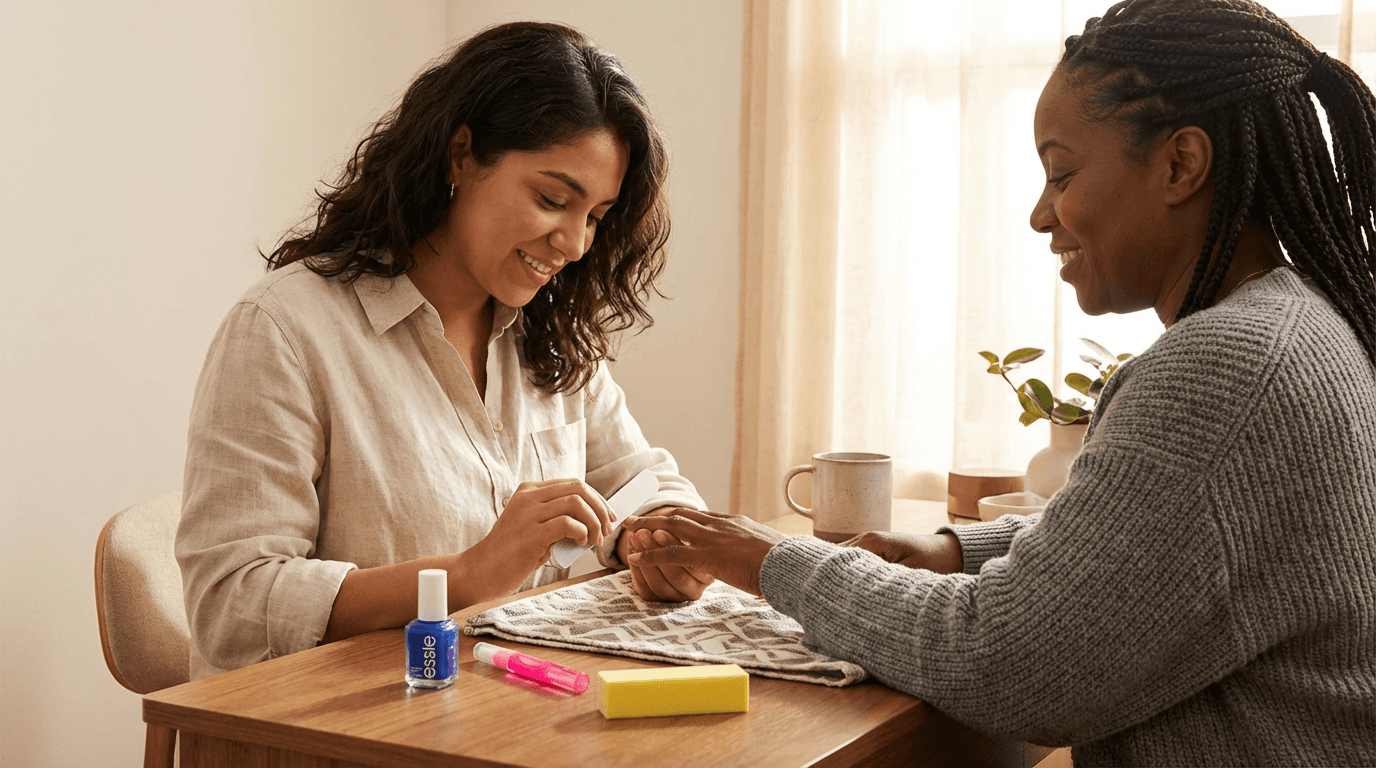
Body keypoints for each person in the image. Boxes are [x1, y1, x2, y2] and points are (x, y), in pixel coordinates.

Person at [623, 0, 1376, 763]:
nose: (1039, 215)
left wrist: (766, 560)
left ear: (1181, 164)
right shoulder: (1295, 326)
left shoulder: (1231, 367)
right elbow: (1155, 544)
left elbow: (1011, 665)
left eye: (1063, 173)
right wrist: (959, 550)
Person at [177, 21, 713, 680]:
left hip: (503, 711)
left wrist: (654, 539)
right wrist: (467, 575)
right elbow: (230, 606)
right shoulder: (284, 331)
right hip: (335, 731)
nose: (575, 244)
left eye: (596, 217)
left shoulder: (551, 333)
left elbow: (646, 481)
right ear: (461, 155)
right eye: (553, 199)